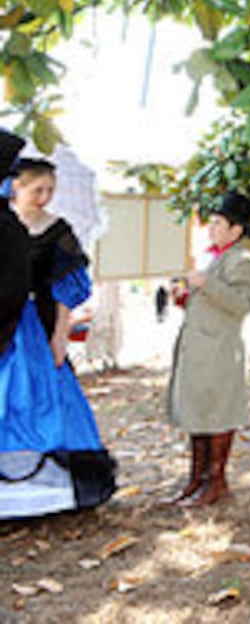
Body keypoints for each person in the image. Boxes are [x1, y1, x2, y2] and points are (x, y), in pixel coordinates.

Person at [0, 144, 118, 518]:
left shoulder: (57, 230)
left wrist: (59, 337)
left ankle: (49, 494)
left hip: (36, 324)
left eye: (50, 190)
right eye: (37, 189)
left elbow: (67, 290)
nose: (45, 197)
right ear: (15, 187)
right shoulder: (5, 224)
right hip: (4, 322)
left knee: (43, 398)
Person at [166, 190, 250, 506]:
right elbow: (204, 300)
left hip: (219, 348)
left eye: (219, 223)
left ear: (236, 230)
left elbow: (242, 304)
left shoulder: (241, 261)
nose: (212, 228)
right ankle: (197, 478)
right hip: (196, 346)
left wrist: (207, 284)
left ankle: (217, 480)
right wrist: (183, 294)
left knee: (218, 413)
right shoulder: (211, 256)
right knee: (196, 412)